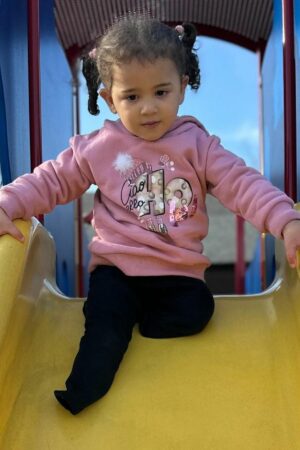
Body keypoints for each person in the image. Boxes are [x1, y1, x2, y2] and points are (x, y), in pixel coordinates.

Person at [0, 16, 300, 415]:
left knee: (198, 313)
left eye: (161, 91)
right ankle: (78, 397)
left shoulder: (199, 147)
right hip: (118, 270)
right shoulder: (99, 147)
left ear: (181, 89)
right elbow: (49, 181)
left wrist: (286, 220)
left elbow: (243, 185)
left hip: (177, 273)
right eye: (131, 97)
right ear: (109, 100)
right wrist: (7, 203)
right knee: (104, 330)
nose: (148, 108)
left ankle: (146, 329)